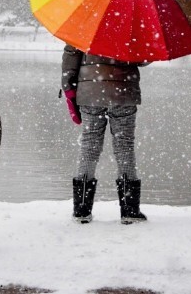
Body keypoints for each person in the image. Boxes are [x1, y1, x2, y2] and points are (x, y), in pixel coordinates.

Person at [60, 43, 147, 225]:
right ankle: (130, 210)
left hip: (91, 92)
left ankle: (82, 209)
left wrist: (69, 88)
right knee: (124, 147)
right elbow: (142, 59)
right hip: (123, 92)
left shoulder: (84, 25)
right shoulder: (132, 25)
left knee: (89, 147)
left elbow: (70, 58)